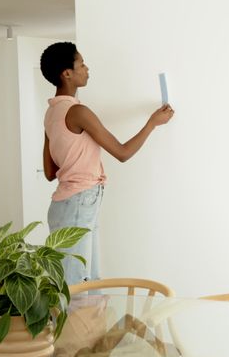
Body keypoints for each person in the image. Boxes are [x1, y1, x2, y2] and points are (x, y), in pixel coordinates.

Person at [40, 42, 174, 285]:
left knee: (79, 282)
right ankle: (77, 324)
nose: (86, 68)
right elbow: (122, 153)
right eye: (81, 64)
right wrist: (152, 123)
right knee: (78, 284)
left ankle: (84, 324)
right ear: (67, 73)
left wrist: (73, 157)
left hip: (62, 205)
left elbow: (50, 172)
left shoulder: (51, 113)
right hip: (81, 200)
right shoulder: (78, 112)